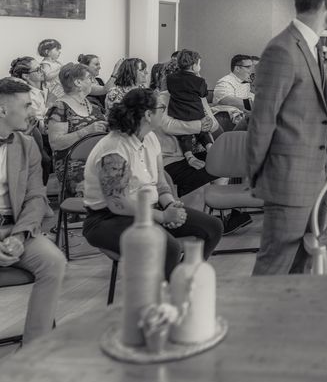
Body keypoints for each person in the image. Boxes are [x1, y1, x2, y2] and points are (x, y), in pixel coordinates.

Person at [247, 0, 327, 275]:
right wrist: (260, 176)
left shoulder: (312, 48)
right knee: (273, 269)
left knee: (302, 268)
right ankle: (257, 324)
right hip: (288, 183)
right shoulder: (281, 50)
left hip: (317, 181)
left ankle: (288, 324)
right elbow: (262, 120)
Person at [82, 88, 223, 280]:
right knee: (169, 247)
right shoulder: (114, 149)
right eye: (162, 108)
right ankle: (167, 297)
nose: (165, 112)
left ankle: (182, 280)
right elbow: (118, 204)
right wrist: (162, 216)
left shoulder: (150, 137)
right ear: (148, 114)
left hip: (148, 210)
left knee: (213, 227)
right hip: (108, 219)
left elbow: (160, 180)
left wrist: (170, 205)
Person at [0, 78, 66, 345]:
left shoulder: (26, 145)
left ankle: (35, 346)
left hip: (15, 227)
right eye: (27, 105)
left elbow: (36, 197)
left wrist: (18, 236)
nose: (33, 112)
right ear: (3, 110)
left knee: (54, 261)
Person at [45, 64, 108, 197]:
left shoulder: (93, 106)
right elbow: (56, 143)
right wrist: (86, 131)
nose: (93, 81)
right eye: (90, 78)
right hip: (73, 164)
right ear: (78, 82)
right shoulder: (60, 107)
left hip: (98, 159)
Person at [166, 49, 214, 168]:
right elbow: (203, 94)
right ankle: (210, 148)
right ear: (193, 66)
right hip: (196, 113)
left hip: (177, 113)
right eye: (199, 64)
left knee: (184, 135)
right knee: (203, 132)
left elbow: (170, 91)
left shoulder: (170, 78)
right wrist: (198, 77)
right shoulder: (199, 81)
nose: (200, 67)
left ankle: (189, 155)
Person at [9, 57, 52, 183]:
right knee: (45, 159)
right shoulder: (25, 95)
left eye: (42, 68)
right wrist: (51, 103)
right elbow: (37, 124)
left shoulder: (44, 89)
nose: (42, 71)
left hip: (40, 134)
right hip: (33, 135)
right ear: (26, 76)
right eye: (38, 69)